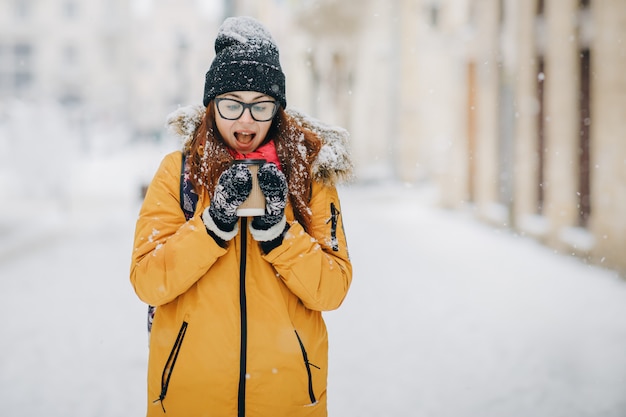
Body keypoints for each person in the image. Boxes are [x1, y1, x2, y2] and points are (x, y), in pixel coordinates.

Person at [130, 16, 353, 417]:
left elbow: (332, 289)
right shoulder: (178, 173)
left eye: (260, 105)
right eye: (232, 104)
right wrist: (212, 226)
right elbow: (148, 281)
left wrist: (279, 234)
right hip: (189, 401)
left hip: (288, 402)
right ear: (211, 105)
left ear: (278, 109)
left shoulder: (310, 177)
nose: (246, 120)